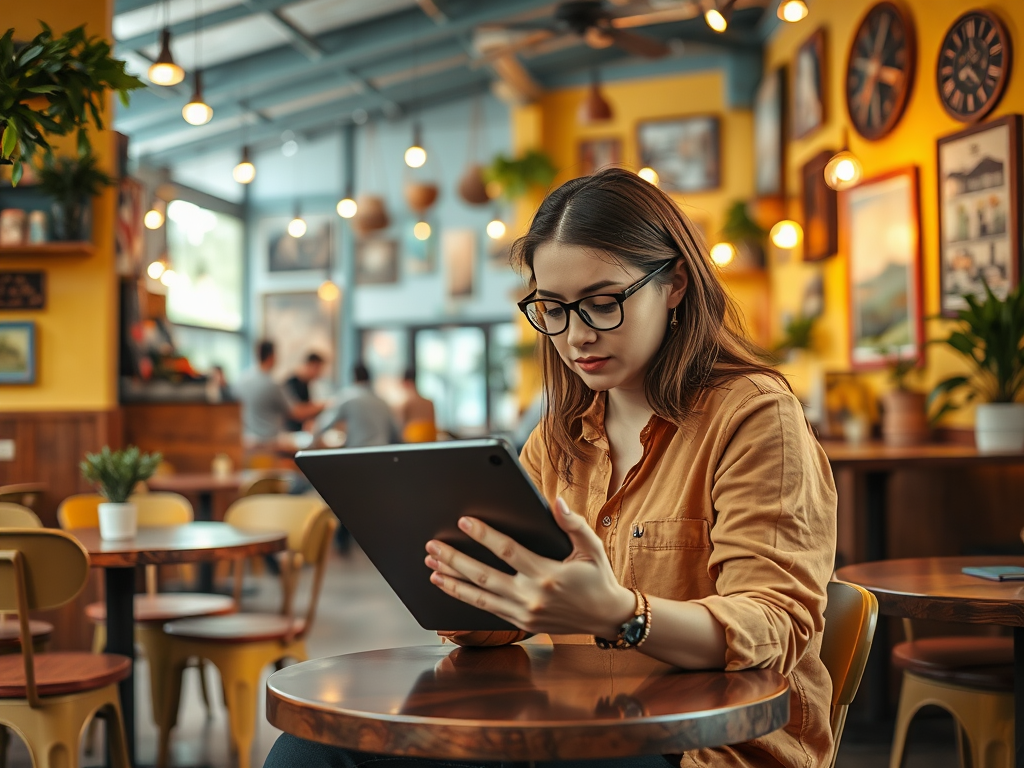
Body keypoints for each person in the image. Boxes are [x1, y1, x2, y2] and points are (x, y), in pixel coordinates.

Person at [264, 168, 837, 768]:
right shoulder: (560, 438)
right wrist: (464, 584)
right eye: (553, 309)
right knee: (311, 750)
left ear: (674, 285)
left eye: (602, 303)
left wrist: (622, 615)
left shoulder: (754, 415)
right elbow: (506, 625)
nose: (576, 336)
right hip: (572, 728)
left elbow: (775, 624)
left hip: (707, 746)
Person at [313, 362, 400, 551]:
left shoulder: (347, 397)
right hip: (381, 460)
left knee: (346, 496)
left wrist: (311, 441)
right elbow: (396, 434)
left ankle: (343, 538)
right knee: (374, 500)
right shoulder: (382, 401)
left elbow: (323, 424)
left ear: (353, 378)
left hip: (356, 458)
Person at [233, 340, 323, 445]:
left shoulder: (241, 380)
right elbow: (296, 412)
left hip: (247, 440)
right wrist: (324, 405)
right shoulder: (273, 384)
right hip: (268, 443)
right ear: (272, 357)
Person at [284, 352, 327, 432]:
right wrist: (323, 405)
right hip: (290, 432)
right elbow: (297, 412)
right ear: (310, 365)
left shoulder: (306, 384)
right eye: (318, 369)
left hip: (302, 432)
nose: (319, 373)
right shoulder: (291, 384)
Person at [397, 368, 437, 443]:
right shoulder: (429, 402)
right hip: (430, 442)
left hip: (413, 443)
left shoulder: (406, 404)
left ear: (406, 383)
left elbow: (400, 427)